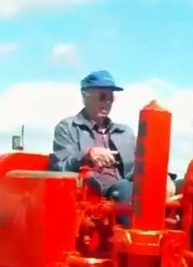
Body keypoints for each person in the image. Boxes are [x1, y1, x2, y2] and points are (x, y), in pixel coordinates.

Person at [49, 70, 137, 204]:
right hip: (94, 192)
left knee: (179, 186)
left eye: (111, 98)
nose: (107, 102)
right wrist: (87, 156)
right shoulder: (68, 127)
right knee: (127, 190)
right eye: (102, 96)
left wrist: (164, 178)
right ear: (85, 96)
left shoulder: (125, 132)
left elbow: (142, 166)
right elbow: (59, 167)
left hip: (130, 186)